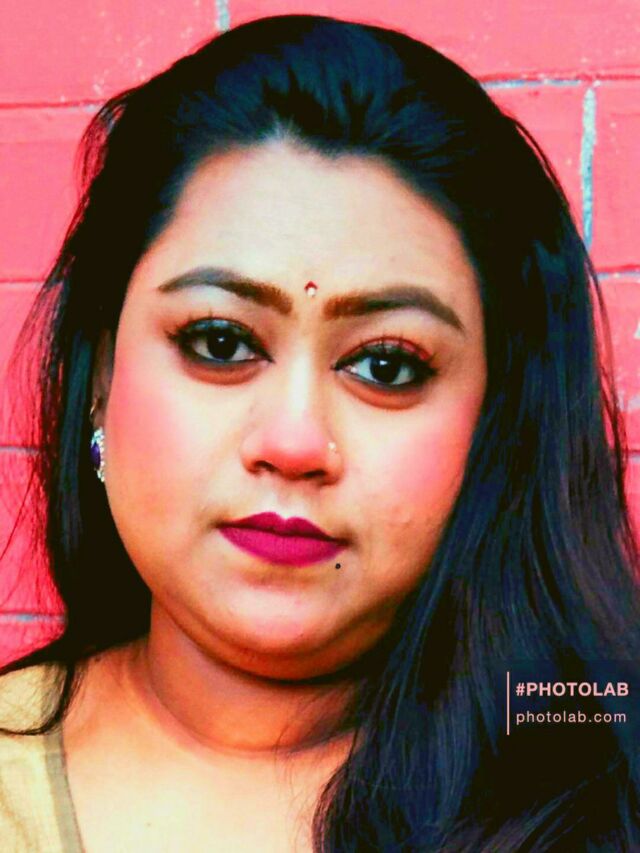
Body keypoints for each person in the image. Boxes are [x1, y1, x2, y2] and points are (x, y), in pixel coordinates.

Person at [0, 12, 638, 852]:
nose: (294, 442)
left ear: (494, 422)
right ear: (99, 384)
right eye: (219, 342)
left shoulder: (601, 787)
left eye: (387, 365)